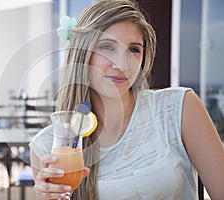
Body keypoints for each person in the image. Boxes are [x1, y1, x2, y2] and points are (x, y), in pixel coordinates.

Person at [29, 0, 224, 199]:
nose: (122, 65)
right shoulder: (46, 146)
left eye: (134, 49)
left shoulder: (179, 108)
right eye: (106, 47)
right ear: (82, 55)